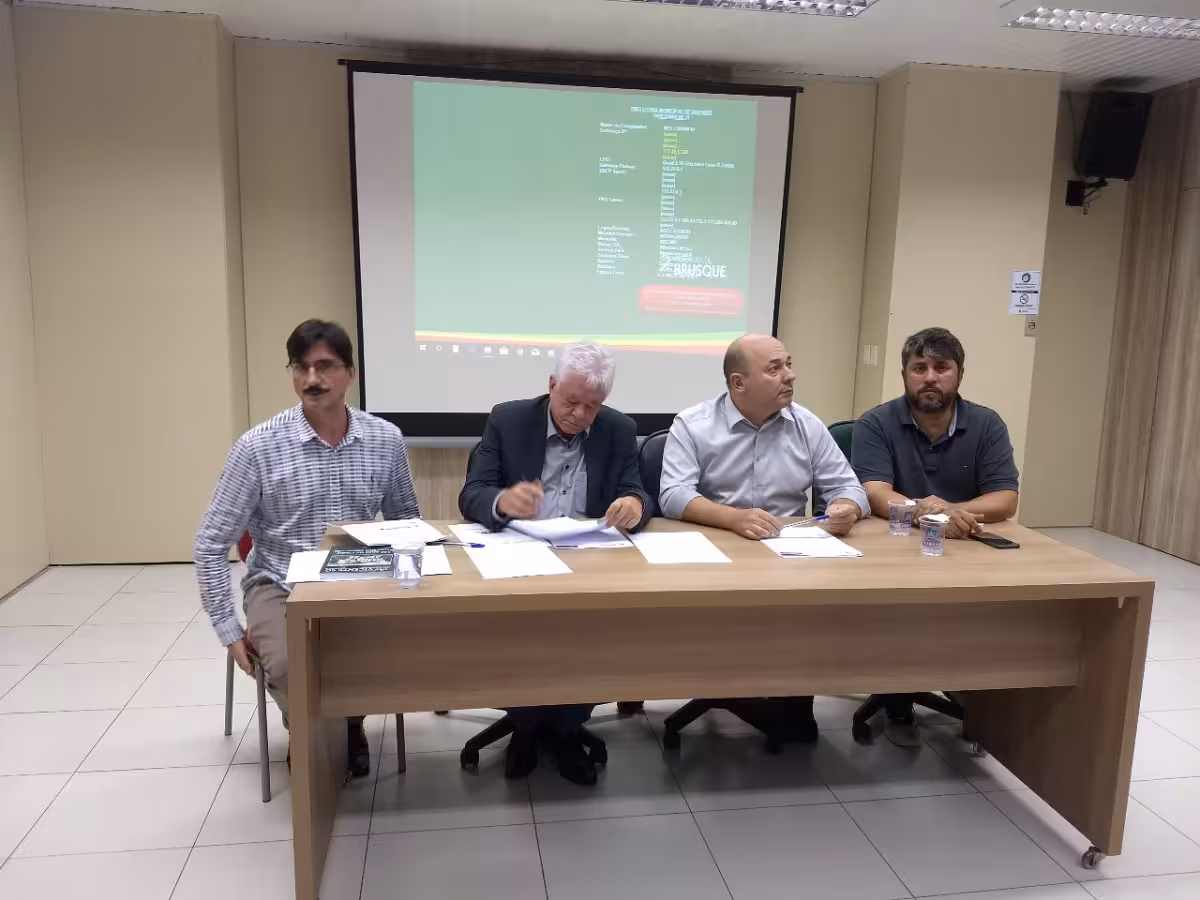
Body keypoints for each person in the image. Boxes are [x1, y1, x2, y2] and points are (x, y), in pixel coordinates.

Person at [194, 319, 420, 779]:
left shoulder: (385, 439)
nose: (312, 378)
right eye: (301, 367)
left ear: (350, 373)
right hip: (280, 581)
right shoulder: (257, 447)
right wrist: (228, 629)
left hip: (360, 576)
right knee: (288, 663)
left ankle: (348, 723)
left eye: (325, 366)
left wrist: (413, 592)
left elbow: (406, 524)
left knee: (385, 654)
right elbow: (210, 542)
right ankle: (309, 730)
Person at [658, 334, 870, 740]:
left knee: (815, 620)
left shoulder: (805, 424)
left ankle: (794, 696)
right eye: (775, 369)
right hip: (716, 562)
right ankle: (738, 683)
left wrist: (847, 507)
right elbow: (673, 494)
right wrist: (732, 518)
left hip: (791, 561)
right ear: (738, 383)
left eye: (788, 364)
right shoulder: (694, 425)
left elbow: (849, 487)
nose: (790, 375)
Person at [459, 341, 651, 785]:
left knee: (588, 633)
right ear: (551, 386)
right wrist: (502, 501)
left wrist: (633, 504)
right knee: (523, 633)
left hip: (587, 563)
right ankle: (525, 727)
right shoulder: (509, 420)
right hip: (517, 559)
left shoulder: (618, 429)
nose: (579, 415)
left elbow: (638, 491)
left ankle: (566, 730)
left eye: (592, 406)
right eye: (570, 401)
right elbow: (472, 494)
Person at [851, 326, 1019, 746]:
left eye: (941, 367)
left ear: (959, 374)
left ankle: (976, 691)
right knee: (901, 605)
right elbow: (874, 492)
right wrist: (927, 514)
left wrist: (953, 511)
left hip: (965, 553)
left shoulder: (987, 424)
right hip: (893, 553)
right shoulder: (876, 422)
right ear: (904, 374)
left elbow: (1005, 498)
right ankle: (897, 695)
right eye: (919, 367)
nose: (930, 377)